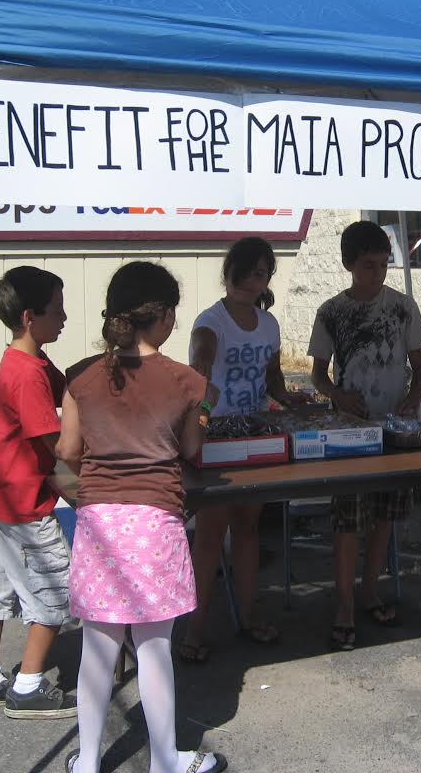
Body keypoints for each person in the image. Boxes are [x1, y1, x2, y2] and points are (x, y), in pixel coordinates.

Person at [57, 261, 226, 773]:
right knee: (155, 651)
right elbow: (192, 450)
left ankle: (85, 762)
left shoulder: (81, 378)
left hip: (99, 524)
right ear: (165, 316)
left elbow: (67, 450)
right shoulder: (186, 381)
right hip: (156, 521)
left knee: (97, 652)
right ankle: (165, 762)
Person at [178, 236, 306, 662]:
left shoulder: (269, 325)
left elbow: (273, 384)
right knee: (211, 533)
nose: (256, 278)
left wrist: (292, 401)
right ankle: (195, 630)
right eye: (250, 270)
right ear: (230, 272)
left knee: (249, 527)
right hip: (215, 436)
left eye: (263, 271)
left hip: (256, 434)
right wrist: (203, 417)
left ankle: (249, 616)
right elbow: (198, 376)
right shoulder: (209, 322)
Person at [307, 220, 421, 650]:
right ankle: (343, 603)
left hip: (394, 431)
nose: (376, 274)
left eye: (382, 265)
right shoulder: (331, 312)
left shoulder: (403, 307)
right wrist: (339, 396)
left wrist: (412, 400)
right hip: (348, 432)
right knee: (347, 520)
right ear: (347, 264)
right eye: (367, 266)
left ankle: (369, 590)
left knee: (385, 516)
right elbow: (317, 376)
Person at [0, 266, 76, 719]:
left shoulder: (23, 359)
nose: (66, 317)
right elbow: (54, 443)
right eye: (58, 310)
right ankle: (29, 686)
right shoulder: (27, 375)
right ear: (31, 317)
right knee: (56, 591)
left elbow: (65, 386)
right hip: (23, 505)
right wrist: (89, 470)